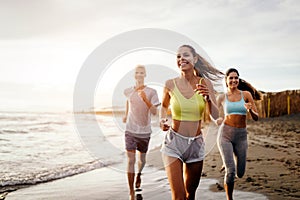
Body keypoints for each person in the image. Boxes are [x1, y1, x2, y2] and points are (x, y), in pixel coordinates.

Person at [160, 44, 223, 200]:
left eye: (186, 55)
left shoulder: (205, 83)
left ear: (195, 59)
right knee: (179, 197)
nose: (181, 59)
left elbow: (215, 115)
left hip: (196, 144)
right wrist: (162, 120)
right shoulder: (170, 84)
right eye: (178, 56)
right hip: (173, 143)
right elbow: (163, 106)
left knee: (190, 195)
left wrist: (208, 99)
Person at [216, 68, 259, 200]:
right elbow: (213, 112)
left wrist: (251, 110)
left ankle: (228, 159)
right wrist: (216, 119)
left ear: (238, 80)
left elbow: (256, 117)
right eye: (231, 78)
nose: (234, 80)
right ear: (226, 81)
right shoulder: (222, 97)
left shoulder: (246, 95)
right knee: (231, 172)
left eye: (236, 78)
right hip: (225, 134)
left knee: (240, 173)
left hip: (241, 136)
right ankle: (230, 198)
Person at [123, 65, 160, 200]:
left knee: (142, 160)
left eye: (142, 73)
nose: (139, 75)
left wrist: (145, 99)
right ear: (134, 75)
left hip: (144, 133)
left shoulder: (152, 92)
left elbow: (155, 112)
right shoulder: (128, 91)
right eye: (137, 73)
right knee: (130, 160)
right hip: (130, 130)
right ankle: (131, 191)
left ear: (145, 75)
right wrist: (126, 115)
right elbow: (129, 102)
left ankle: (139, 174)